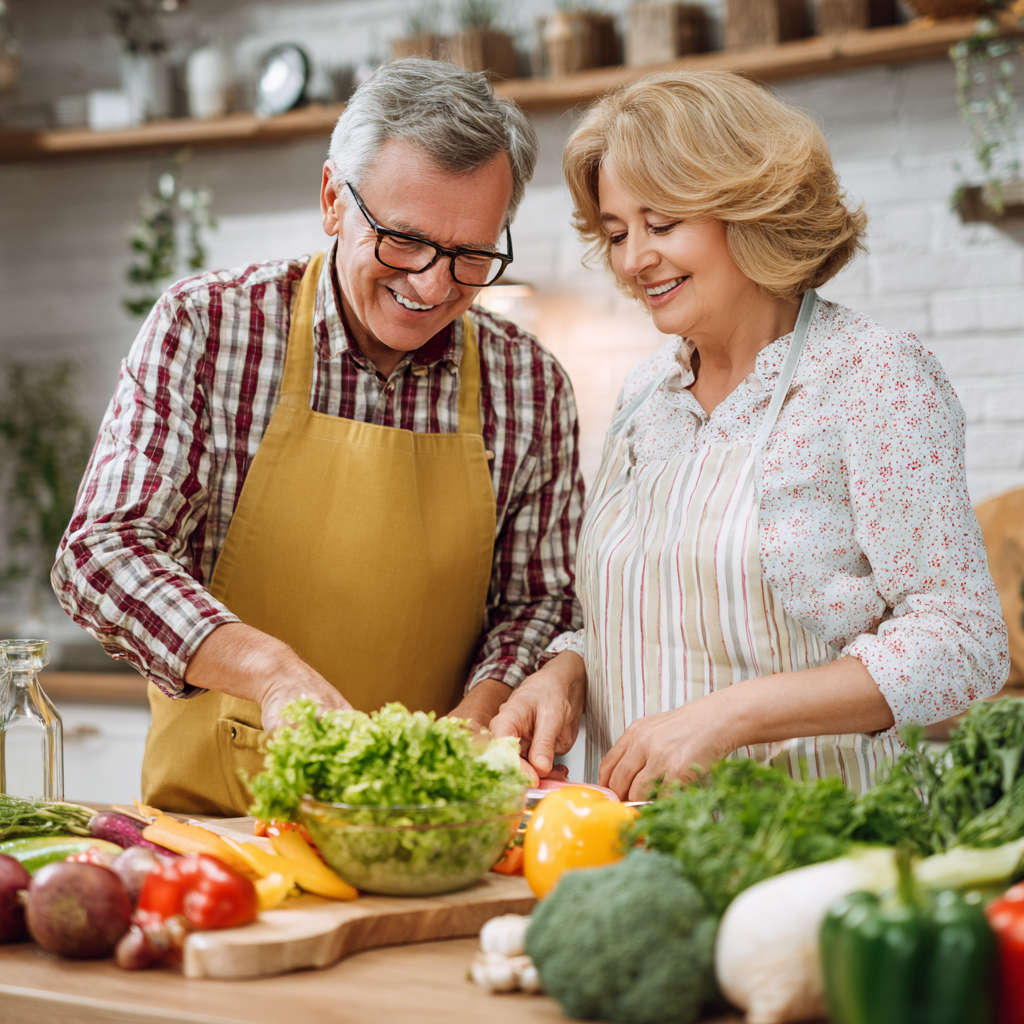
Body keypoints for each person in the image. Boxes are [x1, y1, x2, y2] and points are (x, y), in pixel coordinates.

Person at [53, 59, 584, 815]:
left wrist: (482, 716)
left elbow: (539, 601)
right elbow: (101, 552)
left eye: (471, 257)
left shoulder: (528, 381)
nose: (431, 287)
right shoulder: (208, 328)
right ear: (334, 200)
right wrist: (270, 671)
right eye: (404, 241)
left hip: (430, 817)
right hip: (227, 821)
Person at [488, 70, 1009, 799]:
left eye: (662, 224)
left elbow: (962, 644)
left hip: (819, 842)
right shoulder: (647, 395)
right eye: (616, 233)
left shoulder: (870, 376)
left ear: (751, 208)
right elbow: (638, 609)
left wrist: (730, 717)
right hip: (640, 842)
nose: (635, 260)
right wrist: (564, 671)